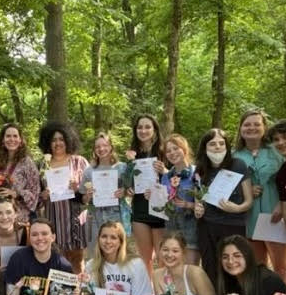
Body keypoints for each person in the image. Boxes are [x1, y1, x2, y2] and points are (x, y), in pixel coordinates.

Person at [232, 109, 286, 286]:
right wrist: (244, 191)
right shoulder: (233, 155)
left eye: (257, 124)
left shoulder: (277, 150)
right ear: (241, 128)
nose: (252, 128)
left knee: (281, 269)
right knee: (257, 268)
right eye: (247, 124)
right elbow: (227, 187)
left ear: (265, 127)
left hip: (275, 214)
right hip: (248, 218)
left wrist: (283, 204)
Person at [193, 128, 253, 283]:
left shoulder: (238, 165)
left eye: (221, 143)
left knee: (233, 268)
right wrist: (197, 209)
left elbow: (249, 201)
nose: (217, 147)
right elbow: (197, 199)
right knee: (210, 267)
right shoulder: (200, 169)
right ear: (205, 147)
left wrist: (237, 208)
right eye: (212, 144)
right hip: (207, 226)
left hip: (233, 225)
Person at [37, 121, 89, 274]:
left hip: (76, 220)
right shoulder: (42, 164)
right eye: (53, 140)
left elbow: (89, 193)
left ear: (68, 140)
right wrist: (43, 195)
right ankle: (59, 294)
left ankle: (78, 293)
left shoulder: (79, 161)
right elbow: (37, 195)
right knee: (56, 261)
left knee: (77, 261)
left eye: (61, 139)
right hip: (53, 220)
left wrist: (78, 189)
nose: (58, 143)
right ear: (48, 142)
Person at [128, 114, 166, 280]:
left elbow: (175, 181)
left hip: (160, 210)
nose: (143, 131)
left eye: (147, 127)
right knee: (145, 259)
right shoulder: (132, 156)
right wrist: (128, 189)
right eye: (140, 127)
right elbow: (128, 182)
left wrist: (164, 171)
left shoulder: (165, 152)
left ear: (155, 130)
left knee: (163, 257)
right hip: (140, 209)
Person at [79, 132, 129, 251]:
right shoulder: (88, 171)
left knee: (117, 253)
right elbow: (82, 199)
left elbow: (131, 191)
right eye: (97, 147)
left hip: (117, 217)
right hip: (95, 218)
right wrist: (87, 196)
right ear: (94, 150)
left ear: (111, 147)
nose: (101, 149)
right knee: (96, 254)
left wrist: (124, 192)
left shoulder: (122, 168)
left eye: (105, 145)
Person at [156, 133, 199, 265]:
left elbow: (205, 204)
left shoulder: (197, 173)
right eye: (168, 151)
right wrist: (153, 197)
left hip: (191, 231)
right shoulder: (165, 177)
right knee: (173, 273)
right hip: (171, 231)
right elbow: (162, 205)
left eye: (176, 148)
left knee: (190, 272)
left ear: (184, 149)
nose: (172, 153)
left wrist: (189, 205)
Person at [0, 123, 40, 225]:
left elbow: (35, 193)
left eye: (15, 136)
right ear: (3, 140)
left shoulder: (27, 163)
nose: (11, 139)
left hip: (20, 218)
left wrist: (16, 193)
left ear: (20, 140)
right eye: (8, 136)